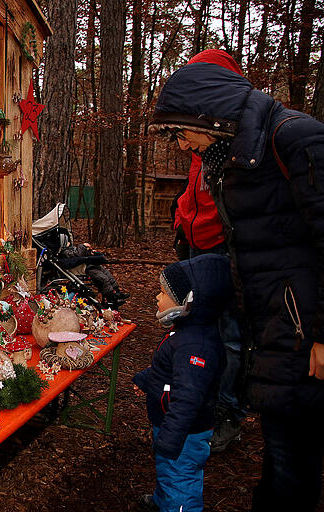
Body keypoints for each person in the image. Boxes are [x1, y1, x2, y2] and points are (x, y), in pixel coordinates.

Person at [149, 61, 324, 511]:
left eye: (181, 131)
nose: (182, 143)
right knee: (283, 453)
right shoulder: (234, 159)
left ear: (208, 116)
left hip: (304, 332)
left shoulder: (294, 138)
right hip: (272, 327)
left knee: (292, 461)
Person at [170, 49, 246, 453]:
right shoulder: (202, 143)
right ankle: (195, 397)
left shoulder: (234, 139)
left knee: (232, 335)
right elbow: (196, 191)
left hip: (225, 250)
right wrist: (182, 216)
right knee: (198, 327)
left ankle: (229, 411)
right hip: (196, 244)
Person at [133, 254, 232, 512]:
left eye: (164, 293)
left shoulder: (195, 346)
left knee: (180, 478)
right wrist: (146, 379)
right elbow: (171, 372)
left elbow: (188, 398)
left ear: (188, 302)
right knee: (169, 472)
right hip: (172, 427)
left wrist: (169, 438)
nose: (157, 297)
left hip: (184, 433)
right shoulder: (187, 332)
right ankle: (164, 500)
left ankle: (177, 505)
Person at [58, 241, 130, 304]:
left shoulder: (72, 248)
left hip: (88, 264)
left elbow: (80, 254)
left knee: (107, 274)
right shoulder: (64, 252)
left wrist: (90, 252)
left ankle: (117, 292)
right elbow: (78, 255)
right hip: (82, 268)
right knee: (103, 278)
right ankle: (111, 297)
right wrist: (83, 246)